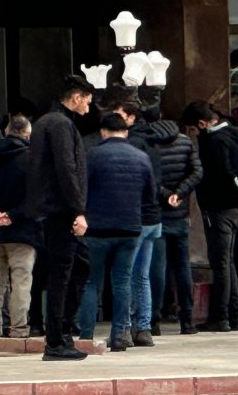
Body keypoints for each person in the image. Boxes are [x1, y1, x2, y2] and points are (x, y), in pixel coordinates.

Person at [28, 74, 95, 361]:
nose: (89, 108)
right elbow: (67, 170)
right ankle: (56, 340)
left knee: (77, 267)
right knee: (62, 275)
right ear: (77, 97)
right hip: (60, 212)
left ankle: (62, 333)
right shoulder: (60, 124)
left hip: (52, 210)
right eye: (88, 101)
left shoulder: (48, 122)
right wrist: (77, 210)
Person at [77, 112, 157, 350]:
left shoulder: (92, 155)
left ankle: (86, 336)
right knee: (122, 282)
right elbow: (150, 195)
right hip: (130, 228)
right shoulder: (142, 157)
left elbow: (81, 190)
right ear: (126, 131)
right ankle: (120, 335)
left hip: (97, 229)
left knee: (91, 281)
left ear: (103, 132)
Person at [186, 100, 238, 332]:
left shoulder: (215, 141)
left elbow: (225, 172)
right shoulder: (231, 135)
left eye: (192, 129)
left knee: (220, 263)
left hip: (219, 207)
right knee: (227, 263)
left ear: (202, 123)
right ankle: (234, 315)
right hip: (230, 207)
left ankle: (221, 316)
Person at [0, 114, 38, 338]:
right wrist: (13, 215)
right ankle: (19, 328)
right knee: (20, 281)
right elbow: (35, 196)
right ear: (27, 134)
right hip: (22, 231)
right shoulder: (31, 159)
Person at [143, 105, 202, 334]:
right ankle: (187, 320)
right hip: (180, 214)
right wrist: (180, 193)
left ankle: (154, 321)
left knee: (156, 268)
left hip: (157, 213)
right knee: (182, 267)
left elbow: (148, 179)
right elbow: (197, 172)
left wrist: (166, 195)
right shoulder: (185, 141)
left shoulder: (148, 144)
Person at [117, 98, 163, 347]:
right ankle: (143, 327)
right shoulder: (153, 144)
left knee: (124, 275)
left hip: (134, 217)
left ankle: (123, 328)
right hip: (153, 217)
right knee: (141, 276)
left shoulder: (130, 144)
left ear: (132, 117)